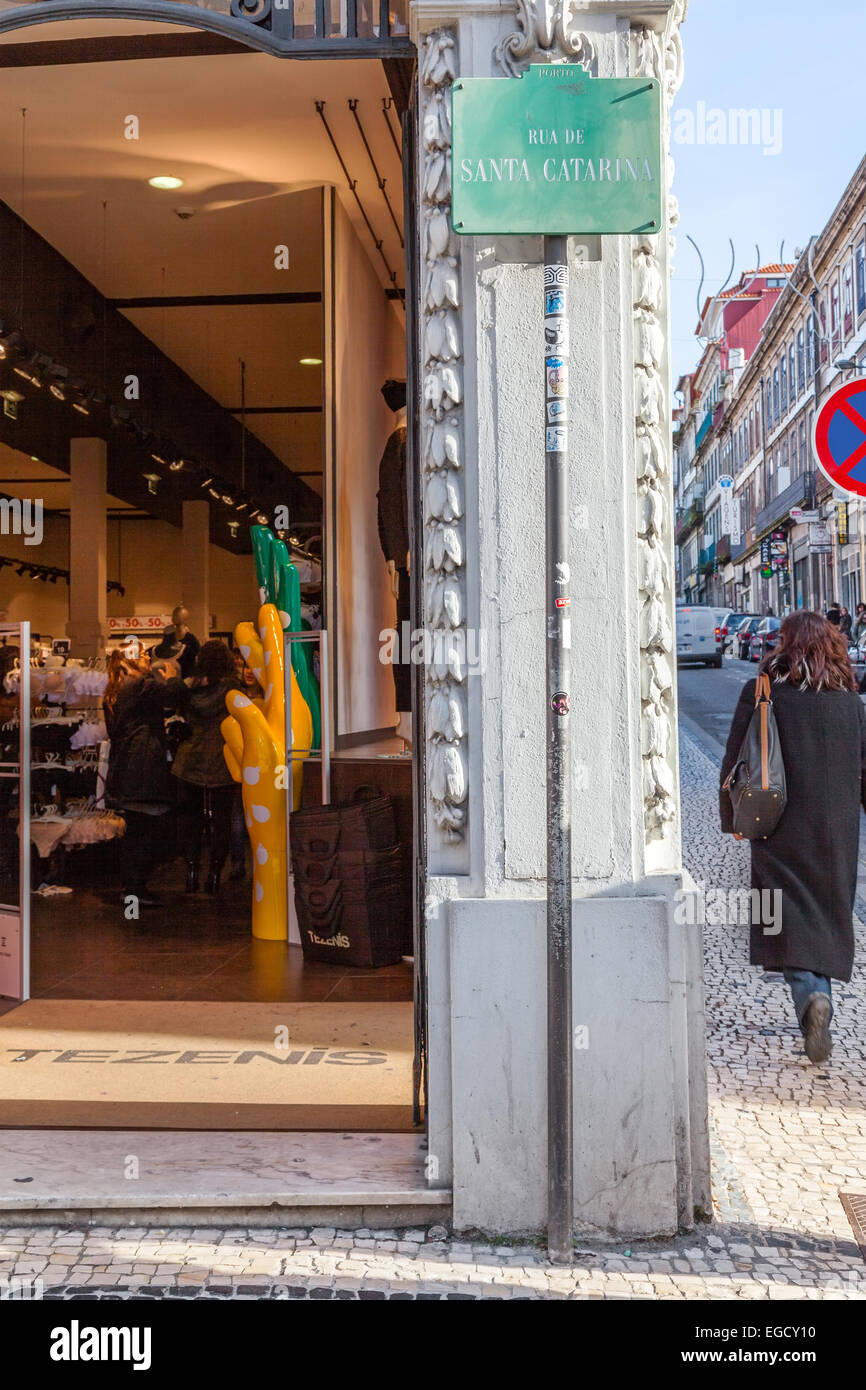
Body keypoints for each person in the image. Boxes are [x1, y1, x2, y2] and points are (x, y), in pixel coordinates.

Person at [720, 611, 866, 1063]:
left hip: (779, 823)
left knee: (785, 918)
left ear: (787, 644)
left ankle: (809, 999)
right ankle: (816, 994)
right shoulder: (850, 702)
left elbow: (736, 764)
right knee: (826, 912)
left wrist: (734, 820)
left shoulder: (763, 692)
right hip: (837, 829)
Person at [104, 653, 186, 908]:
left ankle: (133, 890)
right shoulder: (140, 684)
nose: (147, 656)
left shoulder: (115, 690)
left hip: (128, 766)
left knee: (137, 830)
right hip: (142, 768)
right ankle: (134, 891)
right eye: (139, 654)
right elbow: (176, 696)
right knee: (144, 832)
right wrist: (172, 679)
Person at [171, 639, 240, 894]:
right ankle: (214, 873)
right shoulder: (233, 688)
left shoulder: (190, 687)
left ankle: (191, 872)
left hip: (189, 759)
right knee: (222, 820)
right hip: (223, 761)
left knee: (191, 819)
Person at [154, 605, 201, 680]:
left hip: (182, 683)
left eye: (178, 615)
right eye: (175, 615)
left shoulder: (191, 640)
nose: (175, 618)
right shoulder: (166, 639)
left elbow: (196, 661)